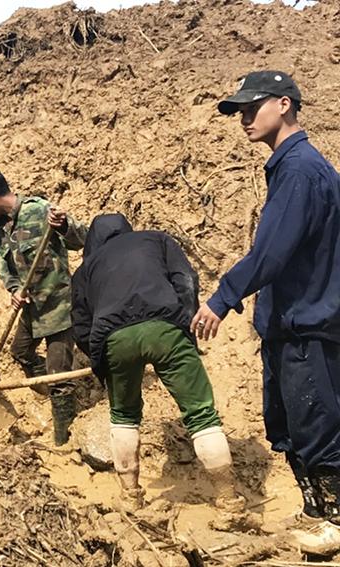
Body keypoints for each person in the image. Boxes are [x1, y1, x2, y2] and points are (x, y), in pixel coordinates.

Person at [191, 71, 340, 553]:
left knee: (317, 424)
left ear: (285, 104)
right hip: (290, 324)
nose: (244, 119)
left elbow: (271, 252)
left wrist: (222, 298)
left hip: (308, 325)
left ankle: (335, 522)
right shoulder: (291, 168)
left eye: (252, 108)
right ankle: (316, 512)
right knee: (290, 425)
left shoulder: (300, 170)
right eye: (239, 111)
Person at [71, 213, 245, 513]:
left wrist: (100, 357)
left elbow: (81, 323)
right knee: (201, 415)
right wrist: (184, 323)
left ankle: (131, 497)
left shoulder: (86, 268)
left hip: (114, 337)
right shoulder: (157, 239)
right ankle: (228, 500)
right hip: (166, 327)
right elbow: (186, 280)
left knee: (124, 416)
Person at [0, 165, 87, 446]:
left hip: (58, 306)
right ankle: (48, 398)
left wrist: (64, 225)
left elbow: (82, 238)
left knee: (60, 377)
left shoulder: (40, 209)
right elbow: (5, 268)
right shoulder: (0, 230)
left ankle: (64, 441)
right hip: (31, 309)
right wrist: (15, 289)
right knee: (20, 352)